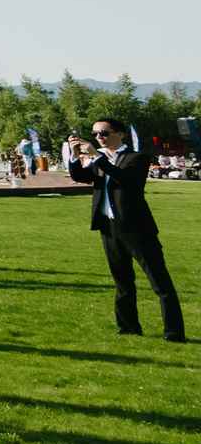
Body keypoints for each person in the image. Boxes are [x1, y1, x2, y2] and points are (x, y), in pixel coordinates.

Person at [67, 118, 183, 342]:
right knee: (122, 281)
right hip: (109, 227)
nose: (99, 138)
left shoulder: (136, 158)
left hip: (136, 228)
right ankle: (128, 328)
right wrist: (74, 156)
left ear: (120, 134)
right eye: (95, 134)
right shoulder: (100, 160)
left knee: (160, 283)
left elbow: (126, 180)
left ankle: (174, 333)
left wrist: (96, 156)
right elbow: (80, 177)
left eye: (104, 133)